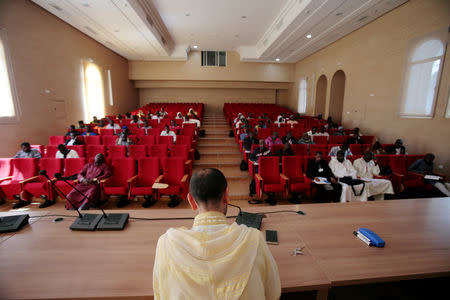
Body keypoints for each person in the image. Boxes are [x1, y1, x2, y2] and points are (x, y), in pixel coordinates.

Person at [153, 168, 281, 299]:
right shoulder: (254, 239)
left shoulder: (166, 244)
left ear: (191, 201)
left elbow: (159, 295)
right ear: (226, 196)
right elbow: (273, 293)